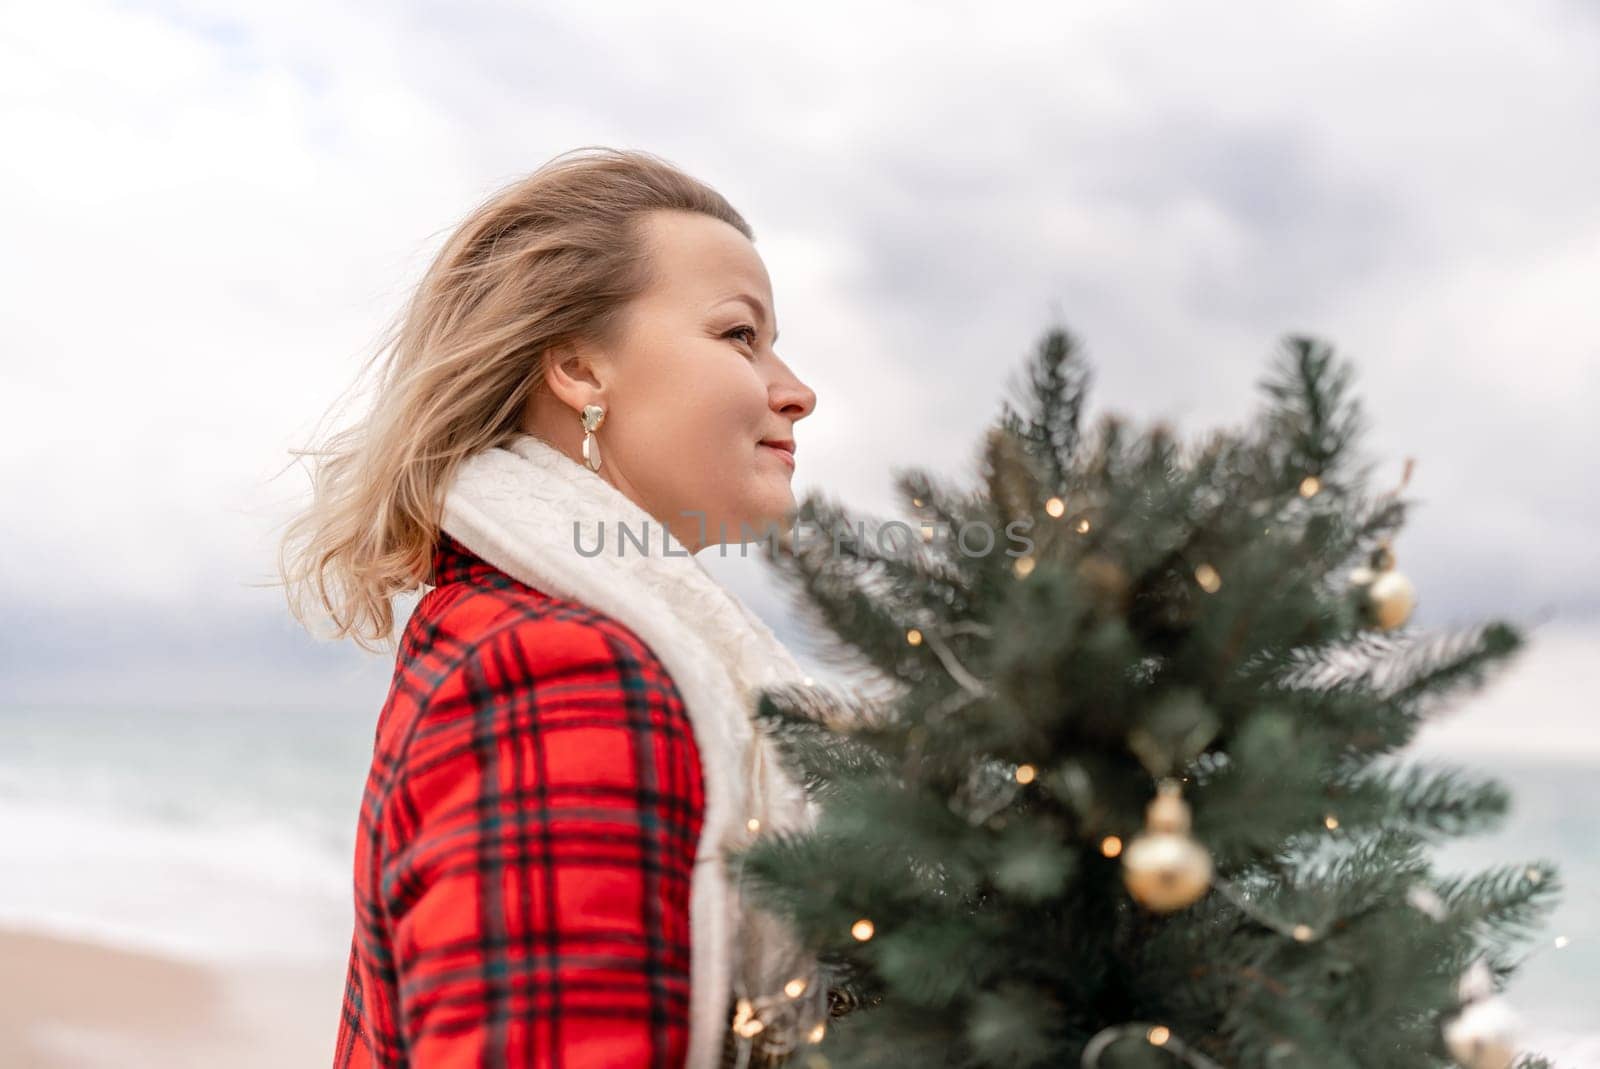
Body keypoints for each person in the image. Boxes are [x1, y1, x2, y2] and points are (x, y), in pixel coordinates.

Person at [277, 147, 831, 1068]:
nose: (796, 390)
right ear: (577, 369)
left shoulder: (511, 625)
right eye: (741, 335)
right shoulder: (556, 665)